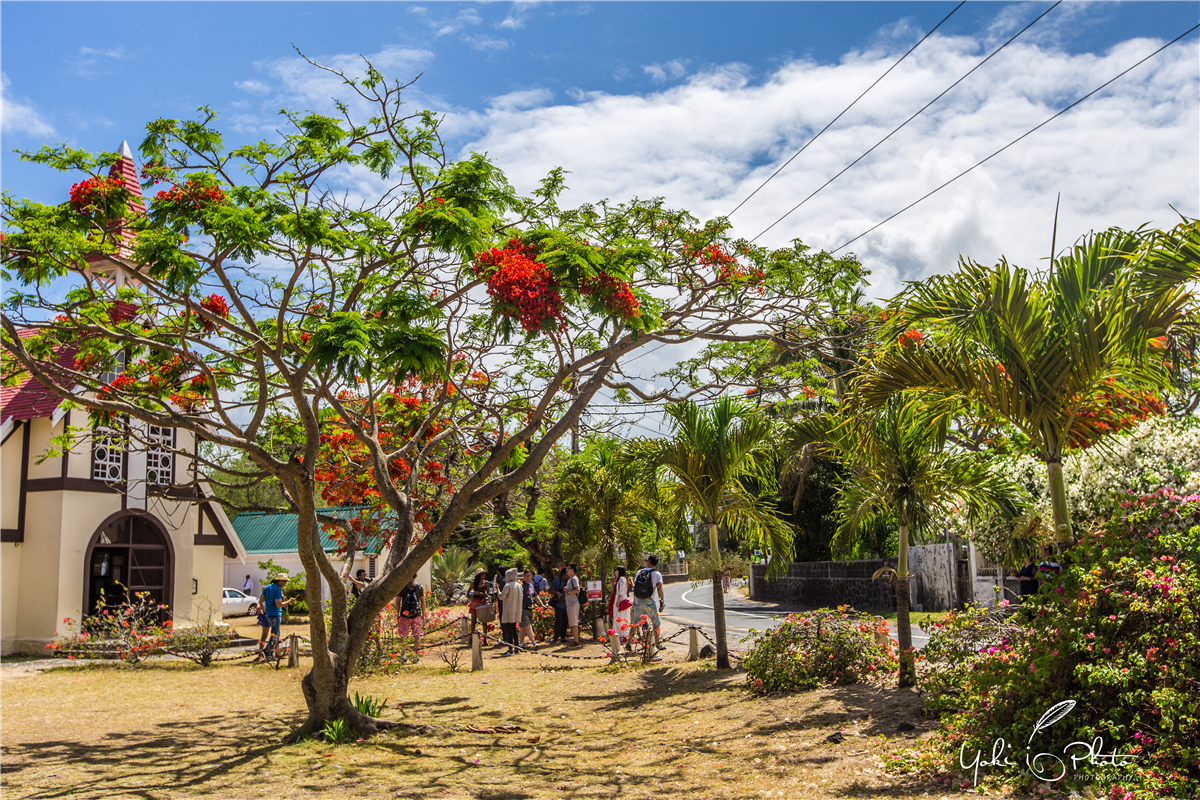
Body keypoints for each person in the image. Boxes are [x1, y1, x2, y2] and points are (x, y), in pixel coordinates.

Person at [631, 554, 666, 652]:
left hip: (639, 601)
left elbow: (635, 586)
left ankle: (629, 644)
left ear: (648, 562)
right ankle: (658, 643)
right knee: (656, 623)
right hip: (650, 601)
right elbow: (660, 589)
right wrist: (662, 602)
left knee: (635, 623)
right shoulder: (657, 574)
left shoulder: (639, 572)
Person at [258, 572, 293, 661]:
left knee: (275, 635)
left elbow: (261, 600)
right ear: (279, 581)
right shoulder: (277, 590)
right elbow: (278, 604)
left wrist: (262, 610)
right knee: (274, 635)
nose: (285, 584)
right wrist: (289, 601)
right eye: (284, 582)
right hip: (275, 614)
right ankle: (268, 652)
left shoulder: (267, 588)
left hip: (268, 614)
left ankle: (275, 653)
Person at [396, 576, 427, 651]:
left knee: (402, 635)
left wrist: (397, 614)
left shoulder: (402, 586)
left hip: (404, 614)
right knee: (417, 634)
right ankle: (416, 655)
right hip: (416, 614)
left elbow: (397, 601)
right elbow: (423, 602)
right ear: (416, 576)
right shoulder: (419, 587)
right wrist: (423, 614)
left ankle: (402, 655)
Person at [520, 569, 546, 651]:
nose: (527, 577)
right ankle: (534, 642)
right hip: (522, 609)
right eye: (525, 576)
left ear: (532, 576)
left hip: (530, 608)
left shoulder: (531, 585)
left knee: (522, 627)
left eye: (529, 575)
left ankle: (520, 644)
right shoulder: (521, 585)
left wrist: (542, 605)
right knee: (528, 626)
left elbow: (535, 596)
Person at [498, 568, 522, 655]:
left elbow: (501, 596)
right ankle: (517, 648)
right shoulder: (519, 585)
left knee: (509, 630)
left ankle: (510, 649)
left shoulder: (507, 585)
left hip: (509, 610)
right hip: (516, 609)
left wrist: (498, 590)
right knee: (514, 629)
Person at [607, 566, 631, 648]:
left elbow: (622, 591)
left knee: (621, 618)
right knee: (618, 617)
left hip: (621, 600)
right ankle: (620, 635)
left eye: (616, 571)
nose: (615, 572)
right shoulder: (620, 580)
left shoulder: (622, 579)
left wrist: (618, 601)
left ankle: (623, 635)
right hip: (618, 599)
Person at [467, 569, 493, 636]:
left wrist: (481, 594)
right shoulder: (473, 583)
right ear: (479, 575)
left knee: (484, 621)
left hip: (482, 602)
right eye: (482, 574)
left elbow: (488, 594)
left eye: (484, 573)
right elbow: (468, 591)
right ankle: (472, 637)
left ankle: (485, 638)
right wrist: (464, 597)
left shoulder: (486, 583)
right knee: (473, 621)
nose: (484, 575)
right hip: (474, 602)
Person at [563, 563, 582, 646]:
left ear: (572, 570)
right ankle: (575, 639)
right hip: (570, 603)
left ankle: (576, 640)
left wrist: (568, 592)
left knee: (574, 623)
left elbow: (578, 589)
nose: (567, 570)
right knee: (572, 622)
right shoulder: (570, 579)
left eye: (568, 568)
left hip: (573, 603)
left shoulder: (574, 578)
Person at [548, 567, 568, 644]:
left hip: (567, 604)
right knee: (558, 621)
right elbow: (550, 590)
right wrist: (557, 593)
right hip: (559, 604)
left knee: (565, 621)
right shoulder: (556, 581)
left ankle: (563, 637)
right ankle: (555, 637)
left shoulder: (569, 581)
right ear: (563, 574)